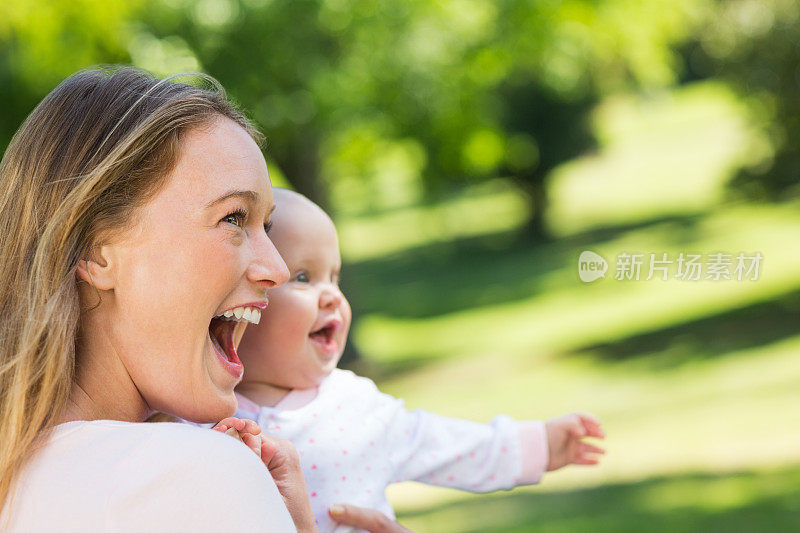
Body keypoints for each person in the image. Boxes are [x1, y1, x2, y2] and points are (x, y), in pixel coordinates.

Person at [0, 66, 405, 533]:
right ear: (96, 252)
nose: (275, 268)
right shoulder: (201, 474)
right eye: (234, 218)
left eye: (267, 226)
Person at [232, 188, 607, 532]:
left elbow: (448, 446)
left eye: (335, 277)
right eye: (302, 277)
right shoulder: (200, 413)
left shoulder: (357, 408)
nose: (331, 295)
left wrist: (539, 444)